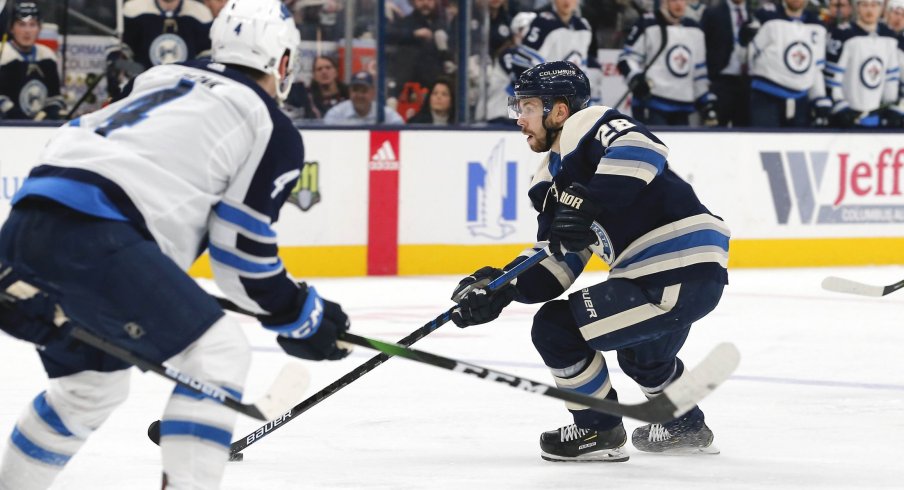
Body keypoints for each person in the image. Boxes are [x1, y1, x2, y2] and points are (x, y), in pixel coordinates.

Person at [0, 1, 351, 489]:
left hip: (26, 223)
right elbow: (239, 260)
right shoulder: (268, 124)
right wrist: (300, 315)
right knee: (219, 353)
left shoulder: (159, 77)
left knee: (87, 390)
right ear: (284, 61)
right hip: (101, 234)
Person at [450, 60, 729, 462]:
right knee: (644, 356)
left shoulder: (589, 125)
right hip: (682, 274)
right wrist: (501, 288)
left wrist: (589, 200)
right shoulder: (548, 183)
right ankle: (684, 426)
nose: (519, 119)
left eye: (527, 107)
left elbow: (645, 148)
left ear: (558, 111)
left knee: (556, 328)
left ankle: (597, 429)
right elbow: (558, 260)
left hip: (671, 267)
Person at [618, 0, 718, 125]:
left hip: (683, 106)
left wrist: (705, 101)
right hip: (652, 104)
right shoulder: (647, 23)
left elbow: (699, 72)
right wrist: (636, 78)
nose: (679, 5)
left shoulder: (695, 30)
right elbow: (627, 58)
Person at [742, 0, 830, 127]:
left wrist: (819, 97)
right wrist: (744, 43)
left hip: (800, 101)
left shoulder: (817, 25)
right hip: (766, 97)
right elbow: (747, 57)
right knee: (765, 142)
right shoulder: (767, 18)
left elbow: (816, 68)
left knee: (798, 144)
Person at [825, 0, 903, 127]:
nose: (869, 10)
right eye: (865, 5)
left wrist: (893, 106)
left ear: (881, 8)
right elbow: (833, 78)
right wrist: (840, 106)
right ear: (857, 7)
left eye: (873, 5)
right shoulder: (842, 34)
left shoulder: (889, 36)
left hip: (877, 115)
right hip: (847, 115)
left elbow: (891, 77)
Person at [0, 2, 65, 121]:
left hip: (40, 128)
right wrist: (23, 118)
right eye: (21, 24)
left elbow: (55, 97)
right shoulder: (3, 53)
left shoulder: (47, 55)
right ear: (11, 28)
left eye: (32, 25)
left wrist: (51, 115)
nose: (27, 31)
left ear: (40, 28)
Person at [701, 0, 753, 126]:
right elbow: (701, 45)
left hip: (748, 82)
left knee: (745, 132)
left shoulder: (754, 13)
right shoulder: (712, 12)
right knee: (716, 129)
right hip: (721, 80)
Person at [122, 0, 213, 70]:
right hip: (143, 86)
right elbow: (124, 51)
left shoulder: (201, 13)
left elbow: (206, 56)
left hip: (187, 86)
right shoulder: (132, 9)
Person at [323, 70, 405, 124]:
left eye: (364, 90)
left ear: (373, 92)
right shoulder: (336, 114)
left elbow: (401, 131)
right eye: (355, 90)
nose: (359, 95)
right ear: (349, 92)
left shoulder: (385, 113)